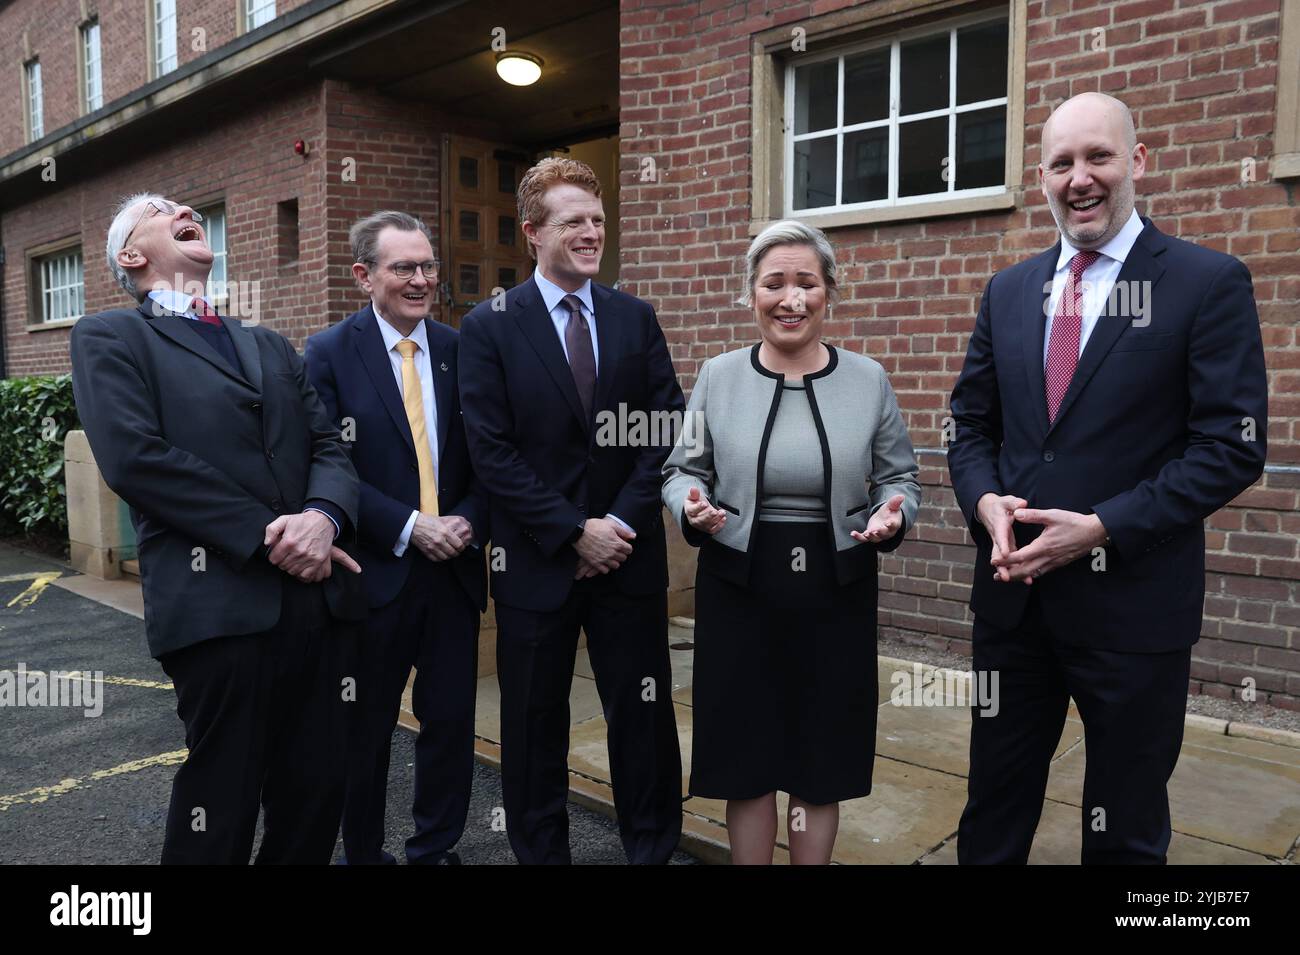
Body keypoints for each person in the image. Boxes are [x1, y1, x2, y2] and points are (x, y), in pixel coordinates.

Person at [947, 92, 1268, 864]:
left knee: (1125, 827)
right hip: (1014, 606)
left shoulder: (1207, 282)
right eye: (1062, 162)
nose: (1079, 178)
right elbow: (969, 426)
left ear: (1138, 162)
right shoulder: (1010, 290)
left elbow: (1231, 446)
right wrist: (985, 500)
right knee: (993, 810)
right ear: (1042, 175)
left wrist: (1102, 528)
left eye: (1099, 156)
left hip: (1133, 616)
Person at [70, 193, 365, 864]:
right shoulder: (109, 336)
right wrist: (274, 535)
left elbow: (329, 448)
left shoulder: (269, 343)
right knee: (220, 805)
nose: (180, 207)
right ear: (132, 255)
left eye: (182, 204)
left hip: (317, 606)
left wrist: (323, 518)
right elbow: (136, 458)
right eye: (157, 208)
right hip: (219, 609)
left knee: (317, 793)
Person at [662, 220, 921, 865]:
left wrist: (895, 513)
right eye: (774, 283)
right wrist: (690, 506)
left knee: (819, 754)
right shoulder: (719, 376)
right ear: (751, 293)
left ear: (829, 292)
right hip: (739, 580)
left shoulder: (869, 379)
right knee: (745, 753)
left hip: (837, 583)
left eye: (807, 282)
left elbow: (899, 477)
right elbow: (682, 469)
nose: (791, 298)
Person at [458, 158, 684, 864]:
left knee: (643, 718)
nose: (591, 232)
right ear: (532, 233)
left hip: (628, 557)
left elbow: (664, 427)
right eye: (573, 221)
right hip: (536, 562)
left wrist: (616, 523)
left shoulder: (633, 317)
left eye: (597, 220)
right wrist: (569, 529)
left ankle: (651, 849)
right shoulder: (489, 326)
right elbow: (490, 451)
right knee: (532, 725)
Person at [304, 211, 487, 865]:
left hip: (455, 573)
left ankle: (434, 849)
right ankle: (365, 854)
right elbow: (326, 463)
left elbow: (487, 453)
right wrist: (411, 525)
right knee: (364, 729)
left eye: (428, 266)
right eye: (403, 266)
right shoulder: (326, 353)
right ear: (363, 275)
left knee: (448, 727)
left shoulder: (460, 349)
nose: (421, 279)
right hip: (374, 577)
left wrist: (468, 517)